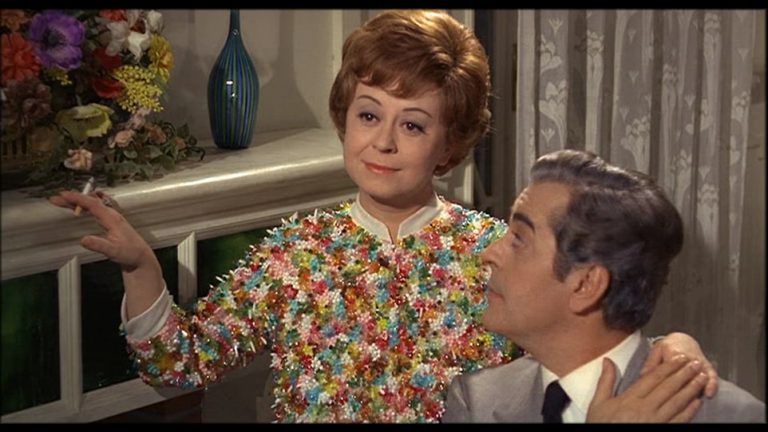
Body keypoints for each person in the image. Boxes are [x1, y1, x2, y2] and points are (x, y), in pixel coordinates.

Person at [51, 10, 717, 423]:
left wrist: (676, 348)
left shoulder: (496, 252)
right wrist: (140, 267)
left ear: (449, 145)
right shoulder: (294, 252)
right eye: (369, 115)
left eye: (414, 124)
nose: (384, 142)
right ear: (345, 119)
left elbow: (590, 348)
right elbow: (179, 368)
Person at [442, 149, 765, 423]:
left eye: (519, 240)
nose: (488, 254)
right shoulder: (477, 402)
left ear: (586, 284)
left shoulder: (730, 415)